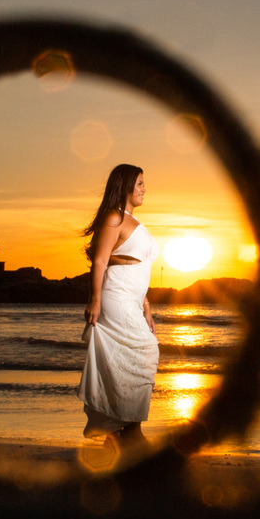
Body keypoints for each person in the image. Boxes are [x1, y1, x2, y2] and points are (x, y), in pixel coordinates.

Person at [77, 164, 160, 446]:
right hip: (115, 297)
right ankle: (120, 430)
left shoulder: (135, 222)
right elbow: (100, 261)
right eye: (139, 183)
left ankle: (127, 428)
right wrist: (95, 299)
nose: (144, 189)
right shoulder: (115, 218)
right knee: (138, 354)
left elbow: (140, 268)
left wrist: (146, 307)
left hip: (133, 300)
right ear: (125, 186)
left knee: (142, 356)